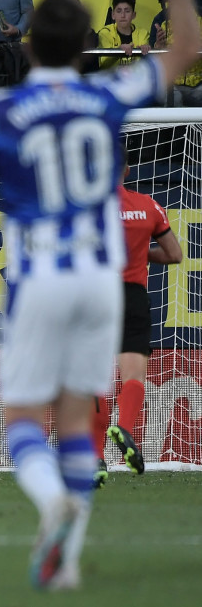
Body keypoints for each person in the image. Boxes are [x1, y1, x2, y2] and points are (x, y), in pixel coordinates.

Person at [0, 0, 199, 589]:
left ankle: (51, 502)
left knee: (24, 419)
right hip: (101, 281)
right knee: (77, 422)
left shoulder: (1, 109)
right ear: (88, 48)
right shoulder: (108, 92)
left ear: (28, 45)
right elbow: (187, 46)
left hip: (39, 278)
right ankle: (64, 564)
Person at [92, 166, 183, 487]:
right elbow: (175, 255)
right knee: (133, 375)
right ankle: (125, 427)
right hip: (132, 296)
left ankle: (95, 458)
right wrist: (140, 251)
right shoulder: (148, 206)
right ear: (127, 170)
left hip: (96, 294)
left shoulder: (84, 206)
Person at [98, 0, 151, 70]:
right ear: (113, 15)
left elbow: (146, 65)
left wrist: (145, 53)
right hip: (112, 76)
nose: (123, 15)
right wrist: (119, 51)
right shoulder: (105, 33)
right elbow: (103, 64)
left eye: (127, 11)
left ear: (134, 15)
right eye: (119, 11)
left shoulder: (143, 34)